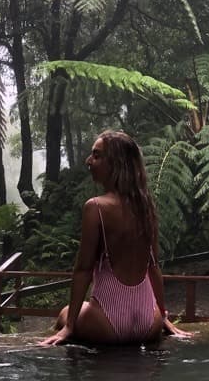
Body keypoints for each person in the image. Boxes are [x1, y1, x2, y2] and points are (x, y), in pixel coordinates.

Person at [39, 130, 191, 347]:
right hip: (149, 322)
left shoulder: (96, 207)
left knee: (64, 312)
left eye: (97, 155)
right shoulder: (146, 206)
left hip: (107, 325)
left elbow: (83, 270)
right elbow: (153, 266)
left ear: (115, 164)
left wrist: (69, 326)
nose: (88, 160)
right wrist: (164, 317)